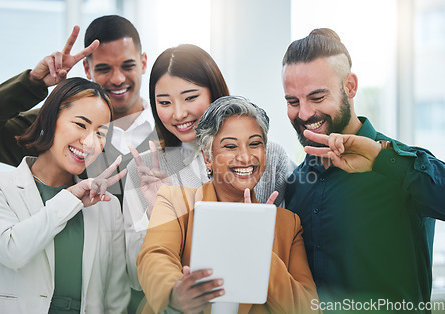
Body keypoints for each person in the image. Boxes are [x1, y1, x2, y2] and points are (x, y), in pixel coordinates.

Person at [281, 28, 445, 312]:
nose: (304, 114)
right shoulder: (295, 183)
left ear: (351, 87)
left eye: (317, 97)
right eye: (293, 102)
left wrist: (383, 160)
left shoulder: (403, 166)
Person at [122, 44, 295, 289]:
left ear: (214, 93)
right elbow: (134, 278)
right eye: (164, 102)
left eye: (190, 97)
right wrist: (159, 214)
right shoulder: (143, 172)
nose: (179, 113)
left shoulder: (268, 157)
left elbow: (289, 251)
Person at [136, 96, 318, 314]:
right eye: (230, 146)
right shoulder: (174, 202)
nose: (245, 156)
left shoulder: (288, 224)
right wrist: (174, 293)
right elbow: (155, 256)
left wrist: (259, 253)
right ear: (207, 157)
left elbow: (309, 308)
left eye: (255, 144)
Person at [0, 15, 155, 204]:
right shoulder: (52, 129)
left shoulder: (172, 129)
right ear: (87, 69)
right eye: (104, 68)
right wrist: (32, 83)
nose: (118, 79)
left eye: (128, 66)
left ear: (143, 62)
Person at [0, 78, 130, 313]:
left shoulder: (106, 206)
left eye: (100, 133)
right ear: (50, 120)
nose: (90, 142)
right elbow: (13, 250)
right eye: (81, 124)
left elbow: (116, 299)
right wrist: (70, 198)